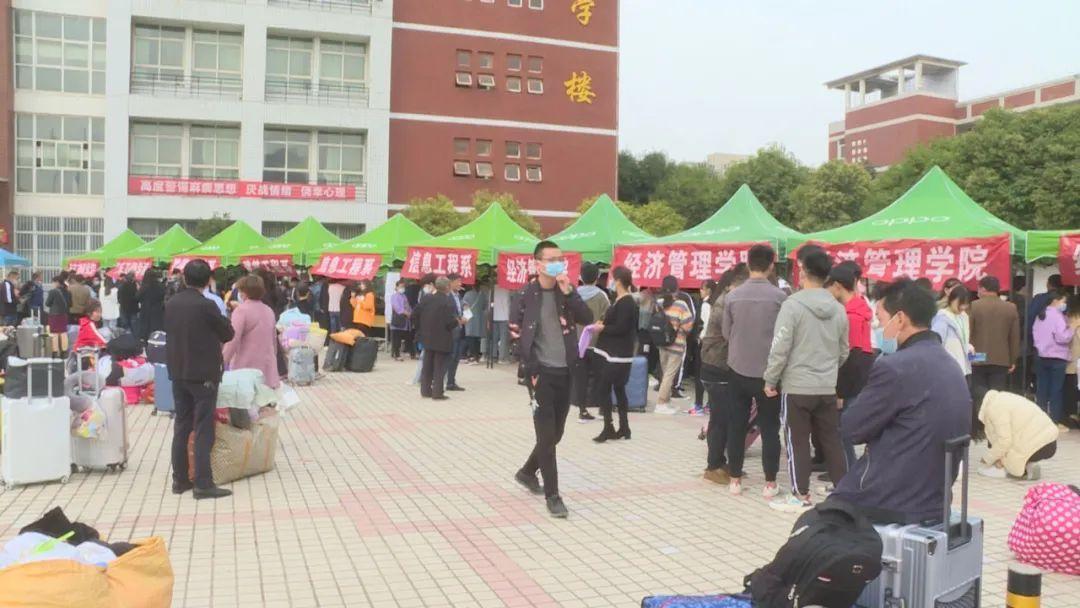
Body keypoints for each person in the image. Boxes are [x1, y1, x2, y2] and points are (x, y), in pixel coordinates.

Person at [829, 278, 971, 524]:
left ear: (900, 319)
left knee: (819, 522)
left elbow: (852, 429)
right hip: (935, 497)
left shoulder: (894, 367)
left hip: (893, 497)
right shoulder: (950, 363)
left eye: (880, 319)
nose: (878, 326)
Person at [763, 245, 849, 513]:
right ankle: (844, 494)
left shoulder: (792, 305)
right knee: (831, 441)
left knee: (797, 441)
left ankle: (800, 495)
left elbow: (780, 346)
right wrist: (828, 370)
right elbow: (844, 350)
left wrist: (770, 379)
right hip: (826, 387)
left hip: (797, 386)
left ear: (802, 272)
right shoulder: (838, 309)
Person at [511, 240, 593, 518]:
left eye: (560, 259)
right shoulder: (525, 295)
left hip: (566, 370)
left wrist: (569, 292)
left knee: (556, 434)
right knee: (546, 437)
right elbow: (515, 333)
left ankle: (526, 472)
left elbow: (587, 318)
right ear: (538, 264)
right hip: (540, 374)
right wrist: (530, 369)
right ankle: (553, 496)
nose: (558, 263)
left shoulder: (565, 292)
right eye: (551, 259)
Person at [164, 259, 235, 500]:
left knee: (182, 425)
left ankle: (180, 479)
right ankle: (203, 483)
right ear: (207, 281)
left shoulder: (171, 303)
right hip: (203, 373)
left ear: (184, 278)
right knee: (203, 427)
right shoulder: (206, 305)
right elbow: (228, 333)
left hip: (178, 371)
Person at [722, 244, 786, 497]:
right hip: (770, 374)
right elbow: (784, 336)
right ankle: (770, 483)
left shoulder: (732, 297)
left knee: (737, 425)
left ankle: (735, 480)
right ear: (771, 266)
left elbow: (726, 333)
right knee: (770, 428)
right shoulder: (780, 298)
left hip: (737, 368)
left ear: (748, 264)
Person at [700, 264, 749, 484]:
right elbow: (732, 335)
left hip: (720, 365)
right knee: (719, 419)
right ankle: (713, 466)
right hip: (716, 366)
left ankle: (721, 462)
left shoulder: (727, 300)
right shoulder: (725, 303)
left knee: (725, 417)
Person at [825, 262, 875, 469]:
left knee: (842, 430)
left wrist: (840, 392)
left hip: (851, 379)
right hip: (860, 374)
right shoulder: (860, 308)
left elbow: (850, 356)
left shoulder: (851, 317)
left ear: (837, 286)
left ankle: (848, 472)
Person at [590, 266, 637, 443]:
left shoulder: (627, 302)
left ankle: (609, 427)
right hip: (615, 353)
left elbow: (622, 328)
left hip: (617, 354)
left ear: (617, 281)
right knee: (618, 388)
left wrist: (603, 328)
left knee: (604, 388)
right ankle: (624, 427)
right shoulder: (619, 300)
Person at [974, 386, 1058, 480]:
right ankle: (1028, 465)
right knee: (1009, 452)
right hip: (1049, 440)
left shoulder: (994, 408)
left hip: (1041, 444)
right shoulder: (1001, 397)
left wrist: (987, 459)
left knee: (1009, 459)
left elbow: (1004, 441)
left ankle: (1014, 470)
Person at [222, 275, 282, 390]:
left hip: (246, 366)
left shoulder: (241, 311)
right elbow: (273, 340)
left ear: (244, 292)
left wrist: (223, 360)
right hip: (267, 367)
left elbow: (233, 339)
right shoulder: (268, 310)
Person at [1032, 290, 1075, 429]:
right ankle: (1054, 421)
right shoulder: (1058, 316)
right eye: (1064, 301)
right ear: (1056, 301)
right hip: (1057, 357)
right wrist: (1072, 329)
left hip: (1041, 356)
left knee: (1042, 390)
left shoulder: (1040, 315)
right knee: (1056, 390)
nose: (1064, 304)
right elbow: (1062, 337)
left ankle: (1040, 420)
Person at [573, 263, 611, 422]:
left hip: (577, 344)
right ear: (597, 278)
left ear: (580, 277)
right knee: (601, 376)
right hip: (597, 343)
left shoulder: (573, 294)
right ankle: (602, 409)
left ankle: (582, 411)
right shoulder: (602, 296)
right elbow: (608, 317)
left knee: (580, 379)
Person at [969, 276, 1020, 392]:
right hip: (1001, 358)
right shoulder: (1010, 307)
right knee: (996, 394)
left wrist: (969, 357)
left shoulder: (974, 306)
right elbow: (1014, 337)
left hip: (977, 357)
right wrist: (1013, 360)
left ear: (982, 289)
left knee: (979, 393)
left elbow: (968, 333)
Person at [413, 276, 459, 401]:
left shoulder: (426, 298)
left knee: (427, 365)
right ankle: (437, 393)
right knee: (439, 366)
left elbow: (414, 314)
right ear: (447, 287)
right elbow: (449, 323)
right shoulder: (447, 302)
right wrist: (458, 321)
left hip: (427, 337)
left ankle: (425, 391)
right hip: (442, 339)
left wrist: (421, 328)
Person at [654, 278, 695, 415]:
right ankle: (661, 404)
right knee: (669, 375)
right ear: (676, 288)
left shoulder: (659, 303)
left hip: (662, 343)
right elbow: (688, 325)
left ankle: (666, 402)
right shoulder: (681, 305)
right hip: (676, 345)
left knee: (665, 373)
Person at [932, 285, 973, 383]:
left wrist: (970, 349)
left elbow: (964, 341)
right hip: (947, 369)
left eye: (966, 304)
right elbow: (936, 344)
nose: (963, 307)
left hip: (964, 368)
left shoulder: (964, 316)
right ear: (952, 299)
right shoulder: (942, 318)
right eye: (961, 303)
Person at [443, 273, 467, 392]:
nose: (460, 284)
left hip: (460, 330)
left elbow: (460, 310)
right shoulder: (447, 296)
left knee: (456, 357)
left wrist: (466, 313)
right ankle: (442, 381)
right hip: (451, 331)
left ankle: (451, 382)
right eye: (458, 281)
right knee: (449, 357)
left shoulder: (458, 296)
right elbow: (448, 313)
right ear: (451, 282)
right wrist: (458, 320)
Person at [462, 283, 489, 364]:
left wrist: (466, 317)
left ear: (472, 286)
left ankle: (472, 356)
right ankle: (476, 356)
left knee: (470, 338)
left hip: (470, 319)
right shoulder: (483, 295)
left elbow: (464, 306)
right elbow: (485, 307)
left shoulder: (467, 294)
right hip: (479, 319)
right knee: (477, 339)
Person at [136, 270, 166, 340]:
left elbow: (137, 297)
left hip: (145, 310)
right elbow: (163, 295)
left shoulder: (144, 286)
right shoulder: (160, 285)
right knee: (156, 327)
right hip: (157, 310)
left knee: (145, 329)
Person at [44, 276, 71, 354]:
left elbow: (47, 303)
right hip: (64, 314)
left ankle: (55, 351)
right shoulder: (67, 291)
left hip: (54, 315)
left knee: (54, 333)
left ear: (57, 282)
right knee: (63, 332)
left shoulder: (53, 291)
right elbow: (70, 304)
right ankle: (64, 351)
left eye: (53, 282)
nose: (53, 284)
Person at [389, 279, 414, 361]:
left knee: (409, 338)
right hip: (398, 321)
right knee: (397, 339)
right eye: (400, 286)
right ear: (396, 287)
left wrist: (410, 312)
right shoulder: (394, 296)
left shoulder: (404, 296)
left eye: (403, 286)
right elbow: (397, 308)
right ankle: (396, 355)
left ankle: (412, 354)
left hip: (406, 321)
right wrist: (406, 312)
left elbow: (408, 306)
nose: (402, 288)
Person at [1066, 299, 1080, 429]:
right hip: (1074, 360)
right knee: (1072, 388)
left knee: (1069, 387)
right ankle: (1072, 414)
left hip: (1070, 360)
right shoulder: (1076, 319)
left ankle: (1070, 414)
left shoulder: (1067, 317)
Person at [491, 285, 512, 364]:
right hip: (504, 317)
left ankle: (493, 356)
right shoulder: (506, 289)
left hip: (494, 316)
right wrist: (509, 317)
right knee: (503, 339)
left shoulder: (493, 288)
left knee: (494, 338)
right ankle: (501, 358)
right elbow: (507, 304)